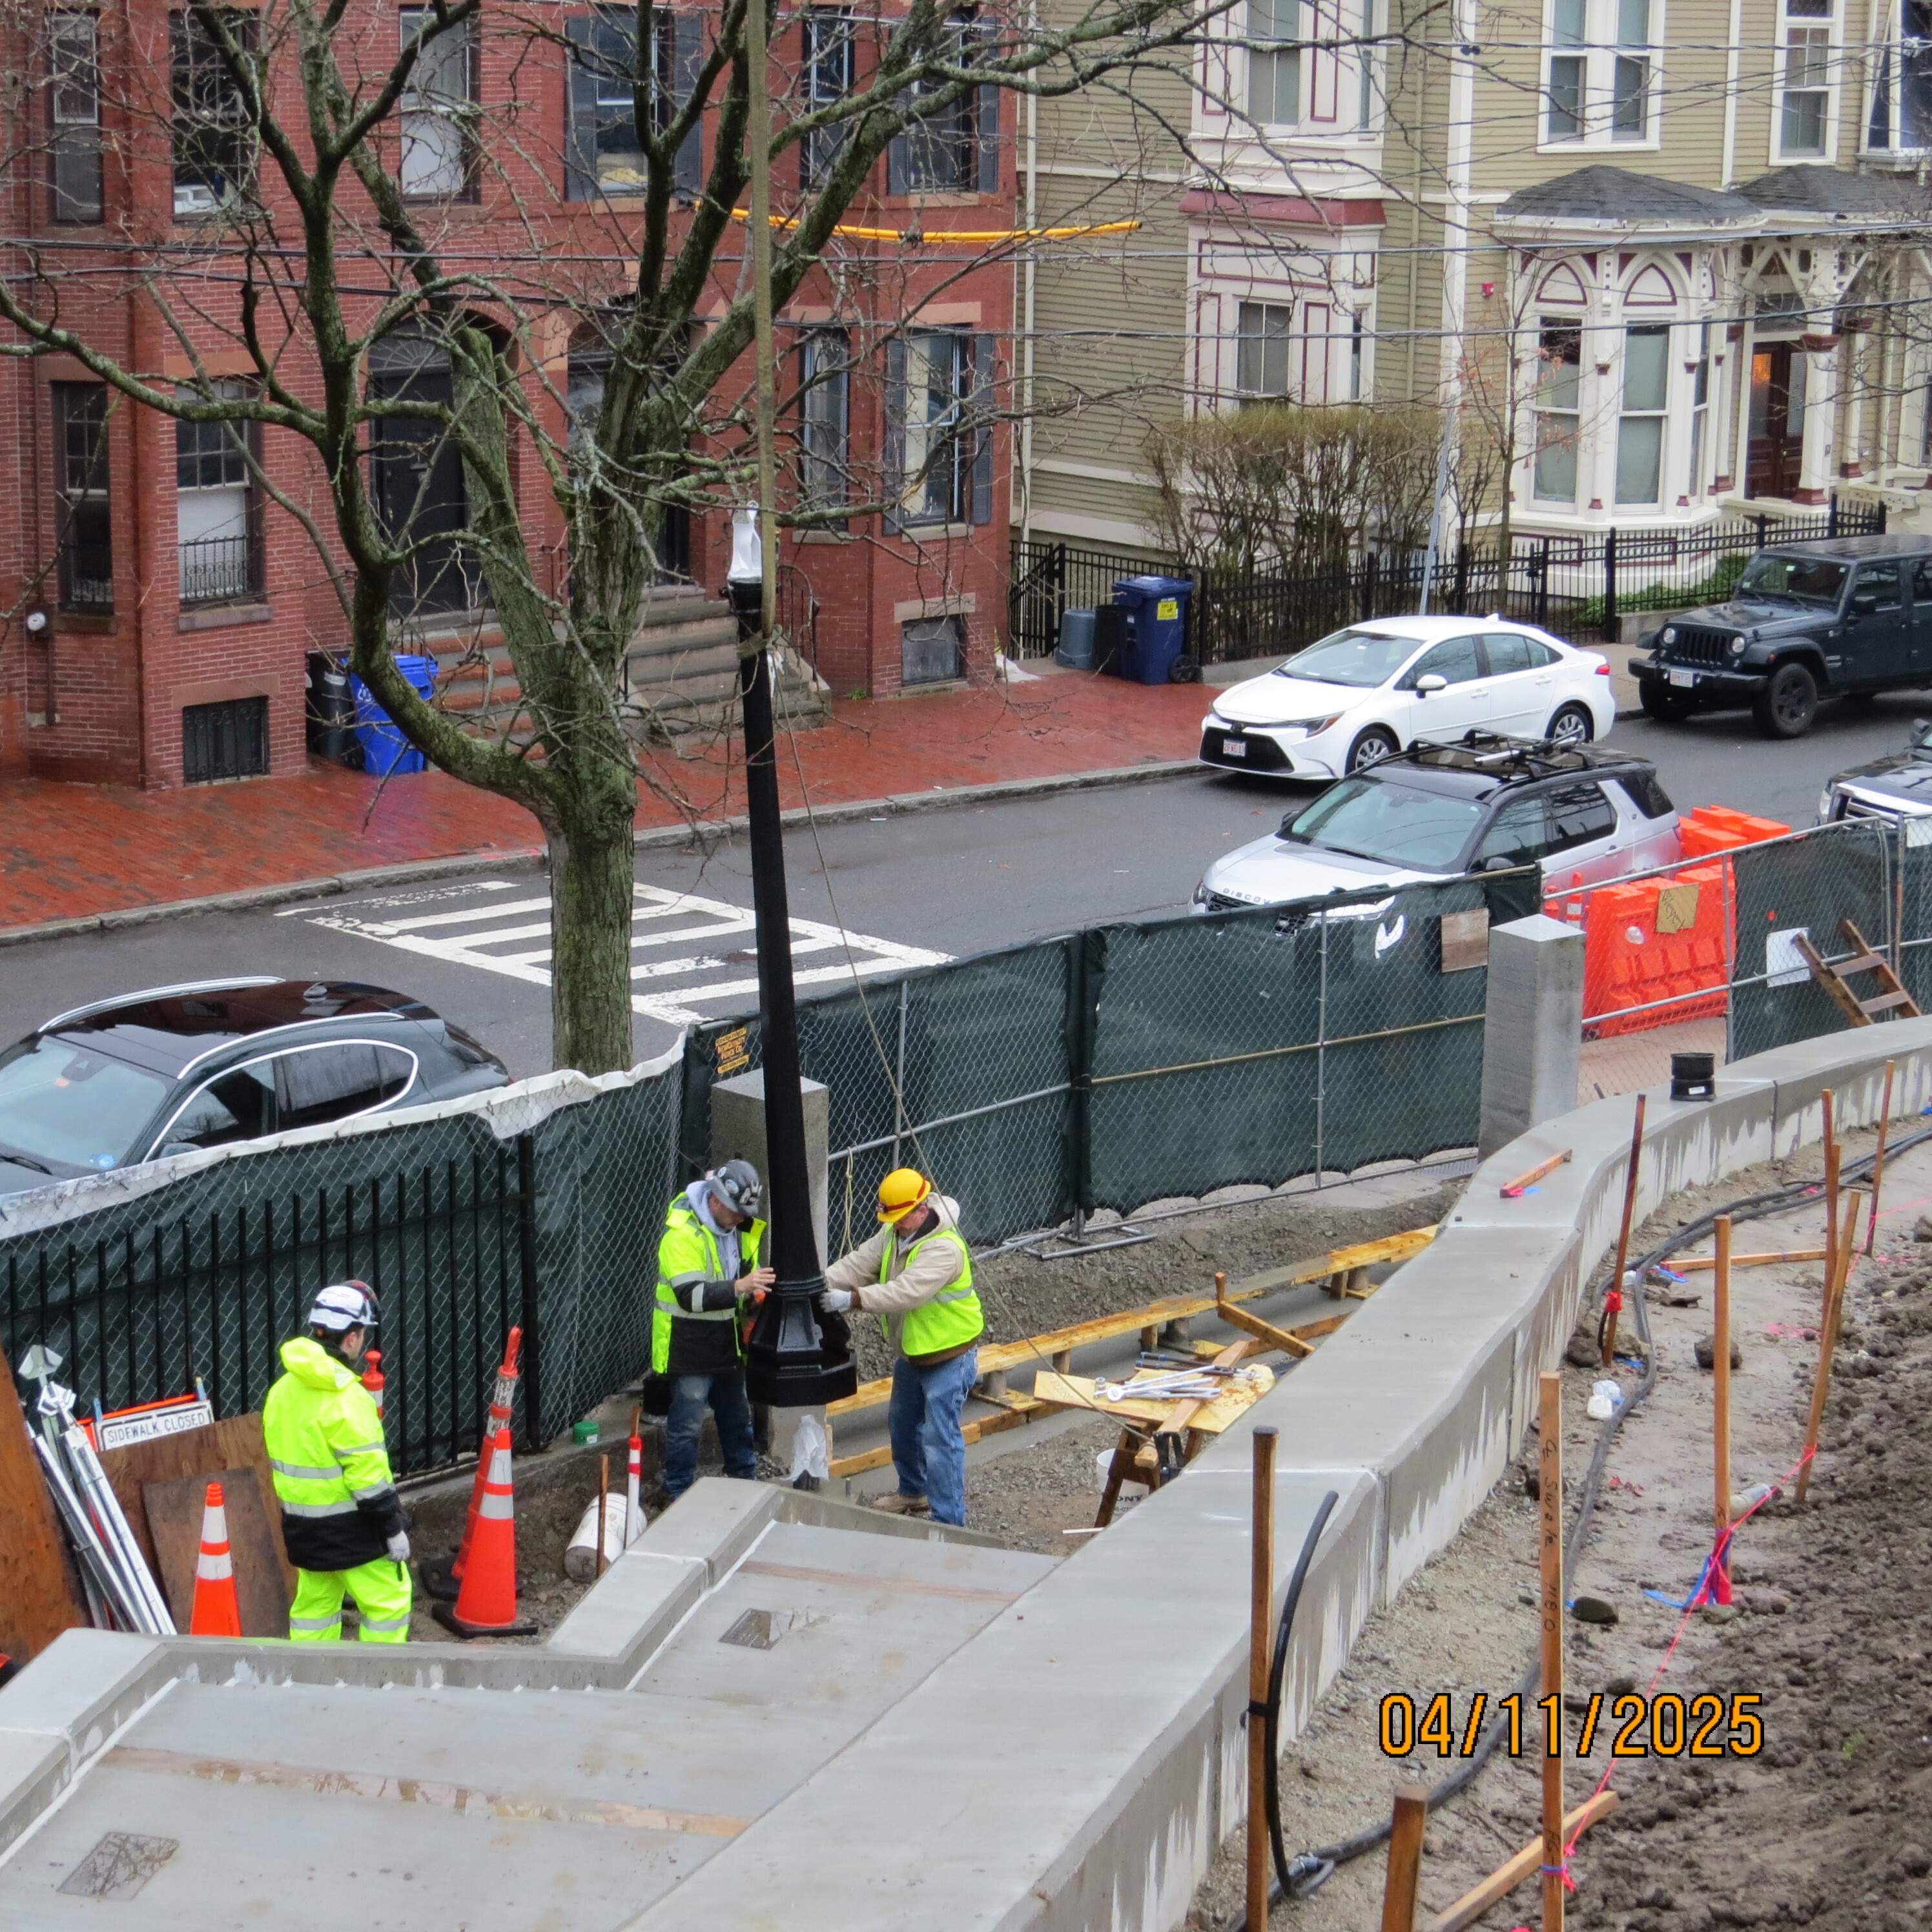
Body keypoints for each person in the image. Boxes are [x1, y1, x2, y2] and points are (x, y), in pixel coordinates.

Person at [818, 1168, 982, 1526]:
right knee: (903, 1426)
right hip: (913, 1352)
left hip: (949, 1355)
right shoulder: (896, 1231)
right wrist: (818, 1283)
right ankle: (913, 1491)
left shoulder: (945, 1249)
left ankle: (950, 1522)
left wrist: (851, 1300)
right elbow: (859, 1263)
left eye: (899, 1218)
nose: (894, 1225)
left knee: (941, 1441)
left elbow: (905, 1292)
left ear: (921, 1210)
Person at [262, 1280, 412, 1643]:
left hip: (303, 1530)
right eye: (362, 1335)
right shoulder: (347, 1396)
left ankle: (312, 1686)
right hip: (354, 1532)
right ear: (352, 1338)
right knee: (389, 1605)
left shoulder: (282, 1390)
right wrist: (392, 1527)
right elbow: (369, 1478)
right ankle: (380, 1685)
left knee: (314, 1611)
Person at [653, 1159, 776, 1501]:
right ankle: (676, 1491)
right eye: (736, 1211)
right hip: (689, 1346)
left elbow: (739, 1289)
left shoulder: (738, 1230)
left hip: (727, 1344)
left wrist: (753, 1298)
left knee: (738, 1418)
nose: (741, 1218)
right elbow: (691, 1297)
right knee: (687, 1426)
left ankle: (744, 1481)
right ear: (715, 1200)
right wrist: (742, 1286)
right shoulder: (682, 1235)